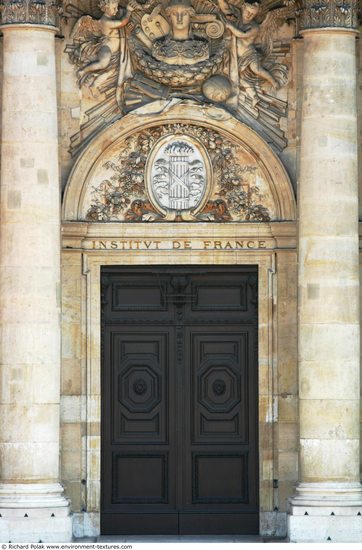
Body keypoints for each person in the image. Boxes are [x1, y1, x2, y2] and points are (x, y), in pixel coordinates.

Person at [217, 0, 279, 107]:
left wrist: (231, 26)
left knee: (257, 69)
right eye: (248, 12)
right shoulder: (237, 17)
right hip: (235, 56)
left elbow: (242, 34)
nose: (249, 15)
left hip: (249, 54)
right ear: (243, 7)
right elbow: (226, 8)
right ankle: (254, 96)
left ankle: (274, 82)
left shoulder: (255, 27)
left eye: (253, 14)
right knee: (236, 77)